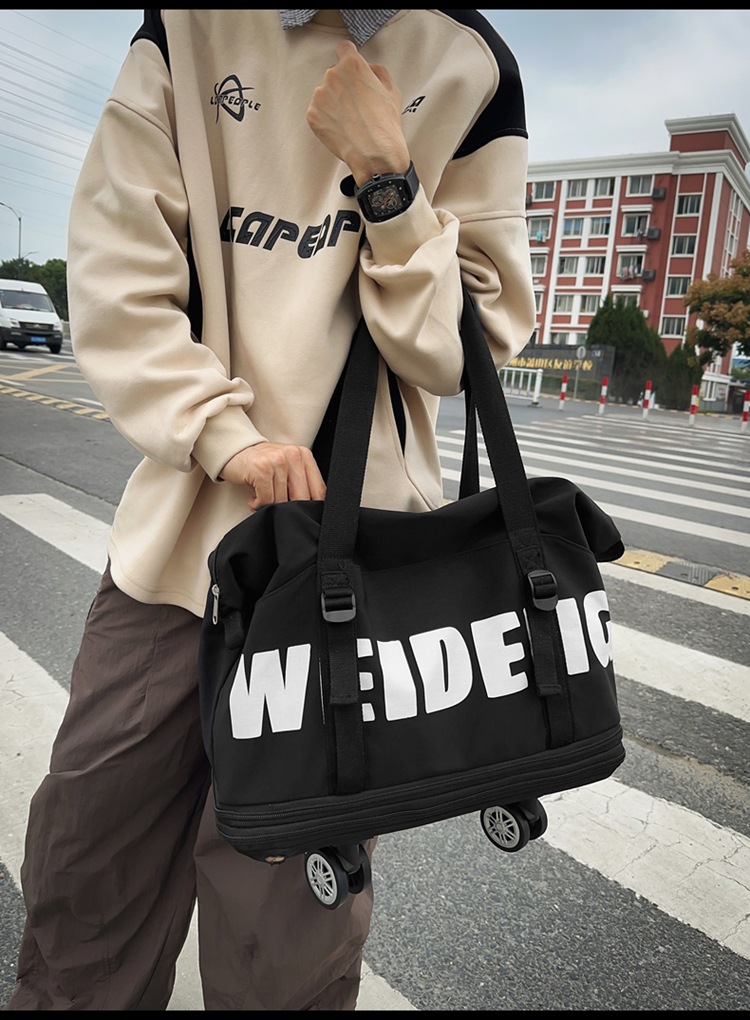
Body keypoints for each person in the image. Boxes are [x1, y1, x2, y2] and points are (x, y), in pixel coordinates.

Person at [7, 9, 535, 1011]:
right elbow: (118, 271)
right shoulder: (188, 27)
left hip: (348, 584)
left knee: (284, 948)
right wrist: (223, 431)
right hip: (180, 556)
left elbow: (467, 344)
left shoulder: (473, 63)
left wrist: (389, 179)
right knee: (86, 885)